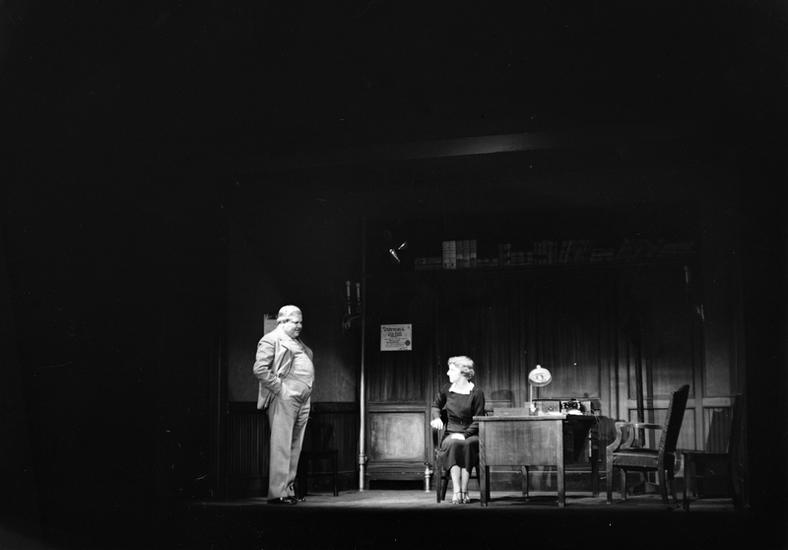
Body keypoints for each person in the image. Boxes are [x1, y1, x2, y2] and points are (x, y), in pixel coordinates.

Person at [253, 305, 314, 505]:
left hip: (302, 399)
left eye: (301, 322)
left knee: (295, 446)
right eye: (296, 322)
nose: (300, 326)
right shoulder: (271, 339)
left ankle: (287, 490)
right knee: (282, 445)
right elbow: (260, 369)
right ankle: (277, 492)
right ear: (283, 321)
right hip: (285, 398)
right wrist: (281, 389)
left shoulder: (297, 342)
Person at [430, 355, 486, 504]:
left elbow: (479, 418)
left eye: (451, 370)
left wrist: (465, 434)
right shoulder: (446, 389)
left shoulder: (476, 392)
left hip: (471, 434)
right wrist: (437, 418)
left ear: (462, 373)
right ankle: (456, 491)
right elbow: (436, 406)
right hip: (451, 433)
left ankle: (465, 490)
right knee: (453, 443)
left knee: (467, 444)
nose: (448, 373)